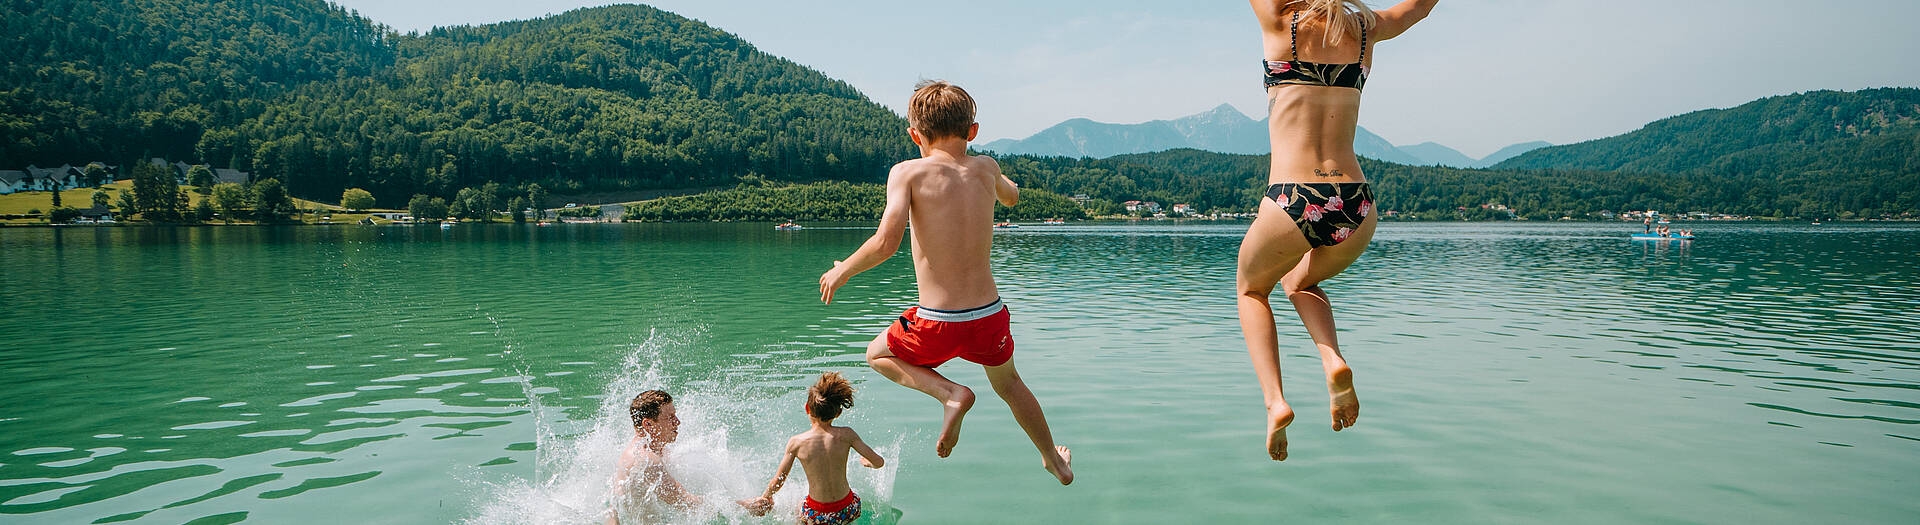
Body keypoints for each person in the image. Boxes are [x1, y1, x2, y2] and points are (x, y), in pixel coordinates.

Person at [818, 80, 1074, 485]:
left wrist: (842, 269)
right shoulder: (987, 167)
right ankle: (1052, 460)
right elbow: (1011, 197)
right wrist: (1006, 186)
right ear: (972, 131)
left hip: (936, 319)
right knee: (1009, 384)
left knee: (877, 354)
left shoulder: (907, 172)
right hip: (989, 316)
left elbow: (886, 243)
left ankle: (949, 394)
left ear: (915, 135)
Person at [1239, 0, 1436, 461]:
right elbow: (1420, 8)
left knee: (1251, 290)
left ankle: (1276, 402)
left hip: (1293, 196)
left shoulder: (1279, 22)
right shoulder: (1366, 29)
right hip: (1357, 201)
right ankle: (1332, 359)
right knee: (1300, 280)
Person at [606, 390, 771, 524]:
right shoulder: (646, 460)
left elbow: (612, 510)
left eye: (675, 415)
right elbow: (686, 503)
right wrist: (746, 506)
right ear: (648, 424)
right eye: (670, 417)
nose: (677, 422)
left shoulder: (652, 451)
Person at [757, 373, 887, 525]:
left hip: (817, 515)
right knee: (849, 501)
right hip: (848, 509)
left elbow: (779, 480)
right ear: (838, 413)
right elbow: (879, 462)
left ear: (807, 409)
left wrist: (766, 497)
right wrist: (867, 463)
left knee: (799, 508)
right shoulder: (847, 435)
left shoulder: (796, 443)